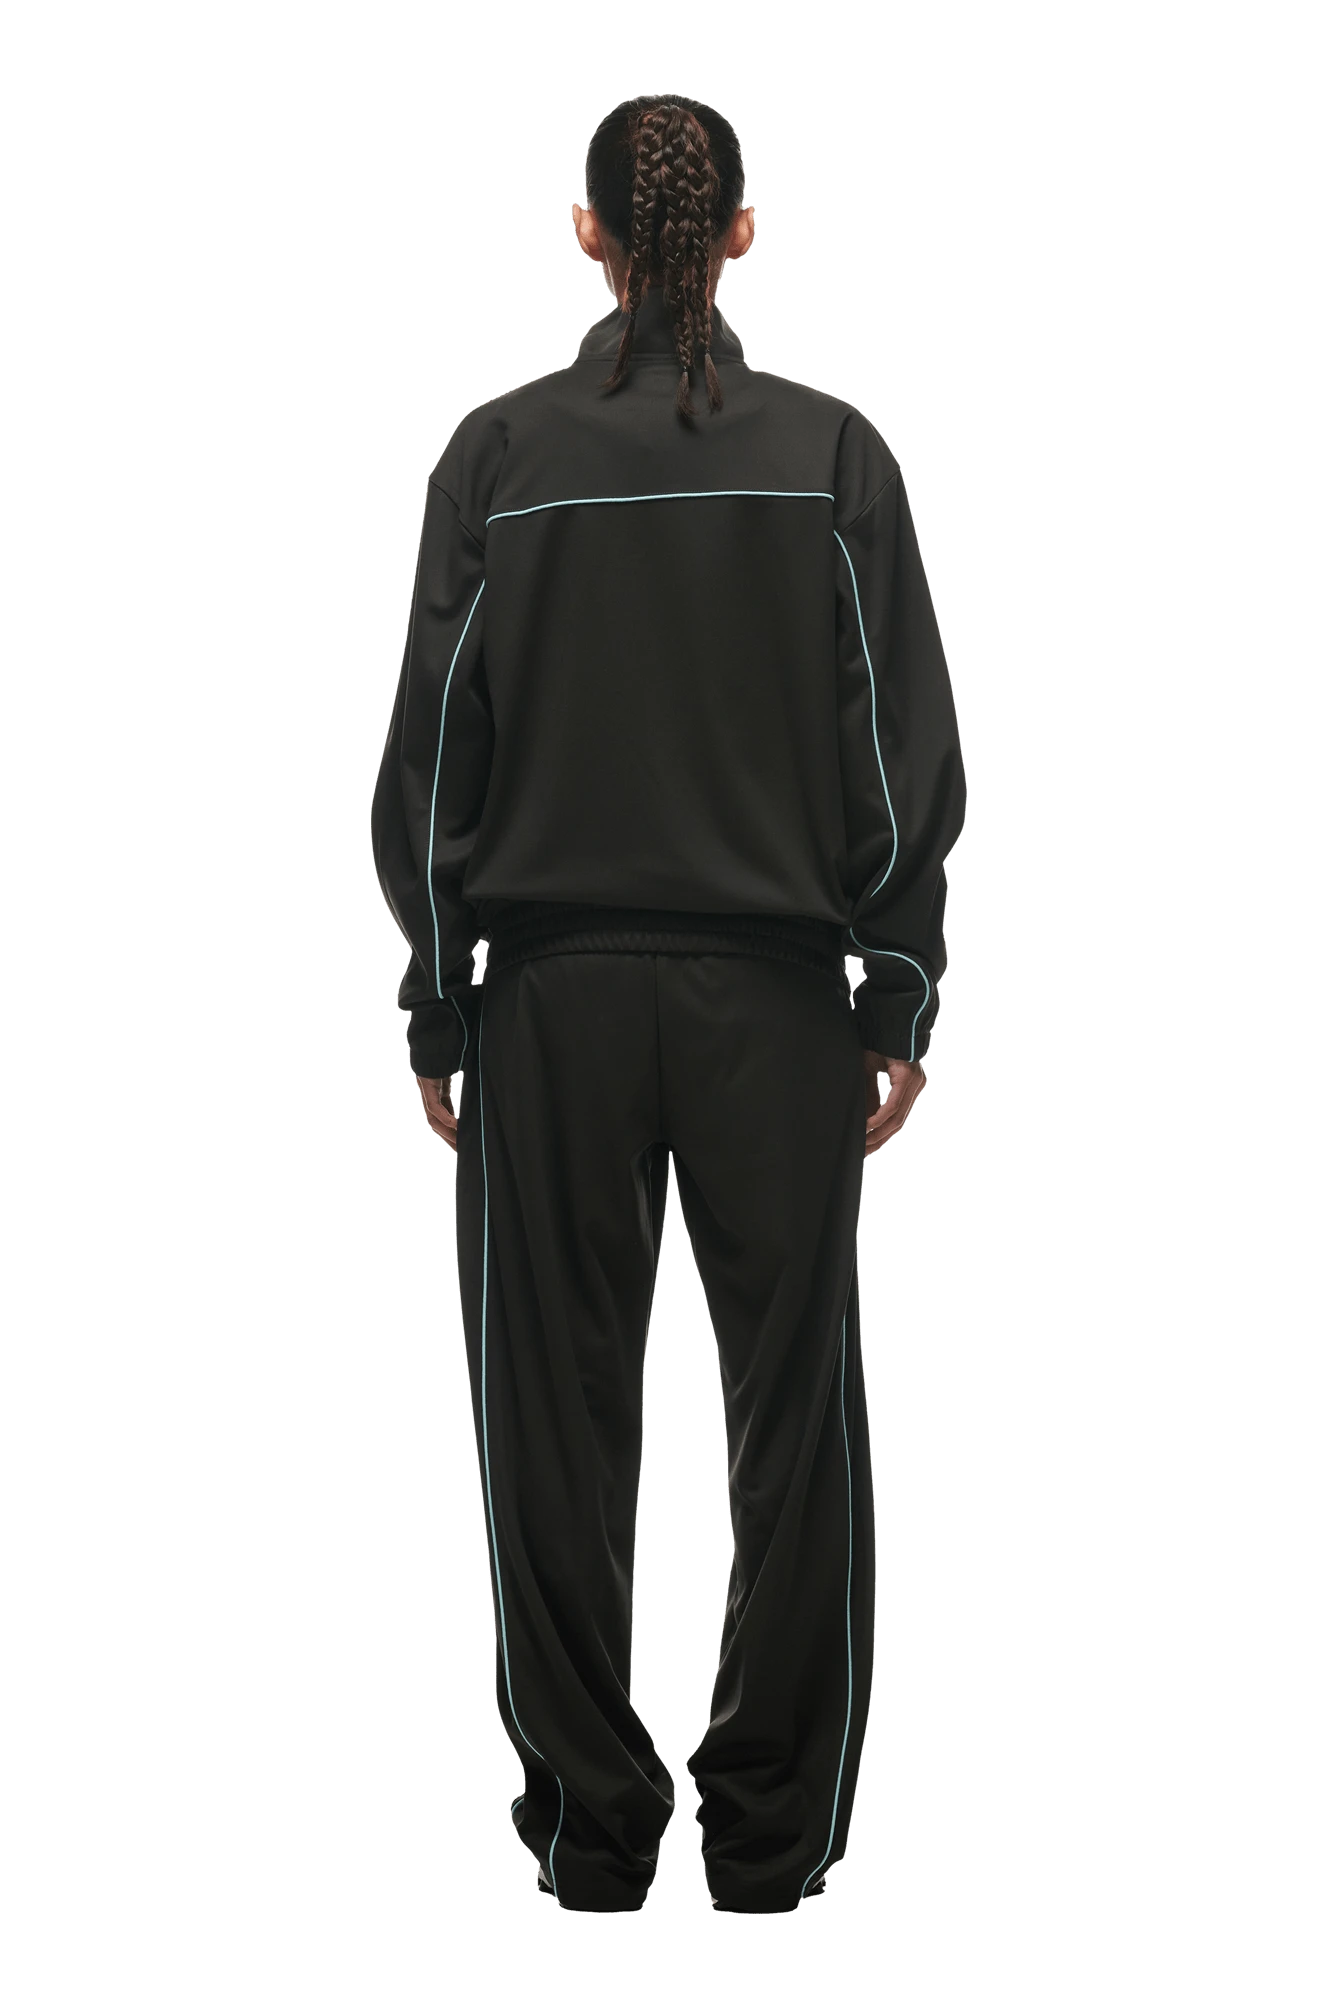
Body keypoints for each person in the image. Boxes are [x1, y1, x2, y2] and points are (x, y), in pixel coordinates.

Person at [371, 93, 967, 1919]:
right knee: (798, 1420)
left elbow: (427, 766)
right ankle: (774, 1841)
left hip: (549, 1002)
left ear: (587, 237)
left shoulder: (498, 454)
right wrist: (894, 987)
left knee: (546, 1424)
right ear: (745, 234)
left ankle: (598, 1830)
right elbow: (907, 756)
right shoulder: (836, 455)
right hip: (774, 1007)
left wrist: (442, 1006)